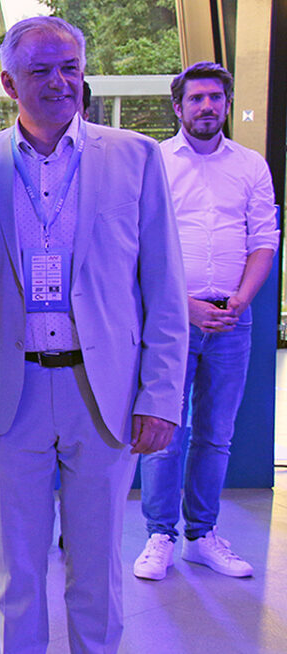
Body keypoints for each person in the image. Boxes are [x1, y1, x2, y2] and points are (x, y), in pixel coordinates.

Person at [0, 15, 188, 654]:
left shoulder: (135, 157)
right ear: (8, 83)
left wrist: (161, 396)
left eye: (70, 68)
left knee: (98, 569)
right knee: (17, 571)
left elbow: (164, 289)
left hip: (104, 394)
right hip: (10, 394)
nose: (59, 82)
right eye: (40, 71)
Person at [133, 61, 278, 581]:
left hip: (233, 320)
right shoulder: (154, 161)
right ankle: (159, 535)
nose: (207, 106)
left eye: (216, 97)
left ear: (227, 103)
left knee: (217, 433)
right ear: (178, 107)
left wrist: (240, 300)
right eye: (196, 98)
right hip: (172, 319)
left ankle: (201, 535)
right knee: (164, 429)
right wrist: (183, 305)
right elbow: (140, 243)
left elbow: (264, 238)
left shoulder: (251, 165)